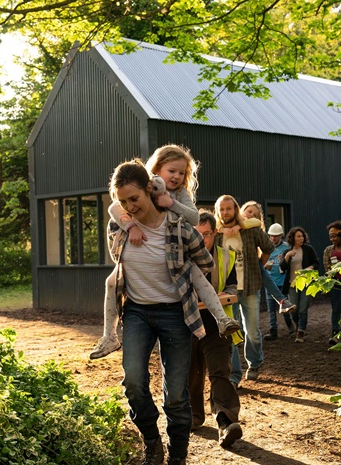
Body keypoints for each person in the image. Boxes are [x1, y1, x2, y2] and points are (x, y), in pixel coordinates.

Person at [90, 144, 239, 359]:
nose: (177, 176)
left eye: (182, 173)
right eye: (172, 171)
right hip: (143, 255)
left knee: (197, 275)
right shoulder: (145, 187)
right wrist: (130, 225)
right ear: (157, 168)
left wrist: (171, 203)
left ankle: (221, 318)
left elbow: (194, 218)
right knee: (111, 282)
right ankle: (109, 335)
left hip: (176, 248)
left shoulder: (180, 194)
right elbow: (114, 207)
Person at [107, 159, 211, 465]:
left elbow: (207, 264)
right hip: (137, 312)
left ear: (149, 191)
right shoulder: (120, 226)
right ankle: (152, 440)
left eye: (134, 199)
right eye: (123, 201)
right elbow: (117, 259)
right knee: (133, 381)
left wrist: (192, 278)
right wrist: (128, 221)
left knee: (176, 394)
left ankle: (178, 454)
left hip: (176, 315)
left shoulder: (178, 227)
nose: (130, 206)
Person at [190, 210, 243, 448]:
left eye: (207, 234)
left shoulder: (225, 257)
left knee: (220, 370)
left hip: (217, 322)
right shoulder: (180, 256)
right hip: (187, 322)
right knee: (191, 372)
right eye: (197, 234)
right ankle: (193, 416)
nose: (202, 240)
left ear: (214, 234)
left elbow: (232, 288)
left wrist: (227, 294)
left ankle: (225, 421)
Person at [214, 195, 274, 385]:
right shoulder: (216, 233)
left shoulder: (250, 230)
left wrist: (260, 265)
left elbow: (268, 247)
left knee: (252, 331)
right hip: (227, 291)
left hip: (250, 286)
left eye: (228, 209)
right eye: (222, 209)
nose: (225, 213)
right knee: (231, 332)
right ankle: (234, 374)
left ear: (236, 210)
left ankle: (254, 363)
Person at [239, 201, 295, 314]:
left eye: (254, 215)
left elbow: (268, 248)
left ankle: (282, 300)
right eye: (249, 211)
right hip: (235, 264)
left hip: (251, 263)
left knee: (262, 271)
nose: (250, 215)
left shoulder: (254, 228)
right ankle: (282, 300)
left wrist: (261, 262)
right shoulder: (232, 224)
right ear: (242, 210)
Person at [280, 226, 320, 343]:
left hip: (306, 283)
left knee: (303, 309)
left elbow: (316, 263)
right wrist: (287, 256)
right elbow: (282, 267)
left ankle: (301, 332)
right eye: (298, 236)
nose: (301, 238)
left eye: (302, 236)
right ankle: (298, 325)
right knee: (294, 309)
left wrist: (310, 267)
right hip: (292, 284)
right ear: (293, 238)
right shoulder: (287, 251)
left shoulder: (308, 249)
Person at [261, 223, 296, 340]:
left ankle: (290, 325)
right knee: (271, 309)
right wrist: (266, 266)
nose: (273, 238)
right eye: (271, 236)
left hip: (282, 282)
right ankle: (273, 330)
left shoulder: (286, 248)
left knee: (285, 307)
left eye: (276, 236)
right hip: (270, 282)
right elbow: (262, 262)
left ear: (281, 235)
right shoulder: (266, 248)